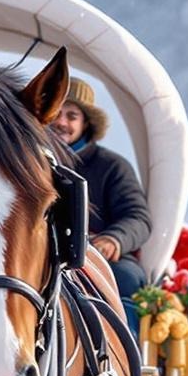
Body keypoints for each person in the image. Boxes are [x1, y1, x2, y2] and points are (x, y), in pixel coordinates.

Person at [47, 76, 151, 333]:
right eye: (56, 114)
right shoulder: (26, 162)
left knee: (126, 278)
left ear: (86, 124)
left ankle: (125, 360)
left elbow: (137, 217)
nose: (62, 122)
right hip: (43, 252)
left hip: (96, 255)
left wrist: (113, 239)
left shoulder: (112, 166)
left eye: (71, 115)